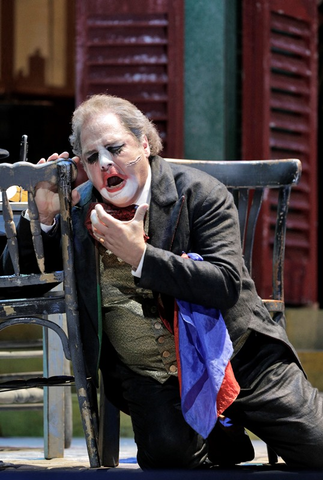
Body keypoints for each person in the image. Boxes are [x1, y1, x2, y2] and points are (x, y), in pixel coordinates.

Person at [2, 94, 323, 469]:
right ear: (82, 167)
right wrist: (41, 219)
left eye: (115, 147)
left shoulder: (200, 193)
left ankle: (225, 424)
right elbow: (21, 289)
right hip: (152, 378)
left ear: (144, 142)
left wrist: (141, 257)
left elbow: (224, 283)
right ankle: (222, 437)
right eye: (92, 157)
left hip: (240, 359)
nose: (105, 163)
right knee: (169, 464)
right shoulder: (76, 209)